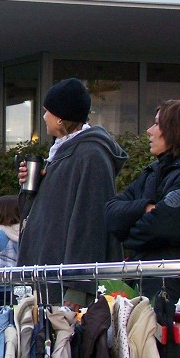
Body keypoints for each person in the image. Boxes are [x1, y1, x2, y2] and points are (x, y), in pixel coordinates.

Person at [16, 78, 127, 306]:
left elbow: (90, 224)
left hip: (66, 287)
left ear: (59, 117)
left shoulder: (91, 156)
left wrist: (77, 289)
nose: (44, 116)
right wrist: (31, 188)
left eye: (47, 111)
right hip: (51, 274)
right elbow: (45, 209)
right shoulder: (67, 150)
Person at [105, 99, 180, 299]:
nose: (149, 130)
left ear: (176, 130)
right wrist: (146, 208)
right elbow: (111, 215)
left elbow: (159, 228)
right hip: (152, 289)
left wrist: (130, 231)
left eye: (156, 124)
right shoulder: (156, 170)